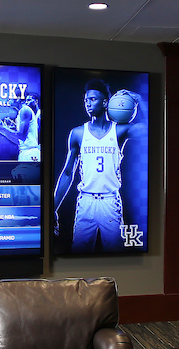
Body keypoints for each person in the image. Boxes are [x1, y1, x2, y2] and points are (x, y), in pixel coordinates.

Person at [53, 80, 142, 252]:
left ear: (105, 102)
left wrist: (138, 98)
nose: (88, 103)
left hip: (110, 201)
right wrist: (53, 207)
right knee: (78, 254)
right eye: (86, 100)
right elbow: (67, 173)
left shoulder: (119, 131)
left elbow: (151, 128)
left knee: (116, 254)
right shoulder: (78, 133)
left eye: (92, 99)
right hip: (86, 201)